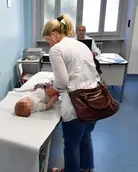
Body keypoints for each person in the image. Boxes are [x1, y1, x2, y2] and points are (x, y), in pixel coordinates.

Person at [43, 14, 101, 172]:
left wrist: (50, 89)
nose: (49, 44)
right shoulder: (80, 44)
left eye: (48, 40)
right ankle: (86, 169)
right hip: (96, 100)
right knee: (85, 137)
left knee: (71, 145)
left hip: (77, 104)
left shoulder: (56, 49)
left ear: (54, 34)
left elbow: (61, 83)